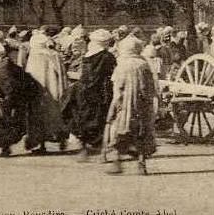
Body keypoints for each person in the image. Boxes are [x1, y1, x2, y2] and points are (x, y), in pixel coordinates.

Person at [62, 29, 116, 162]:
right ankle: (102, 151)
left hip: (83, 90)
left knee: (82, 117)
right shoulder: (107, 56)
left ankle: (84, 148)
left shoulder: (88, 55)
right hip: (101, 91)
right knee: (102, 119)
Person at [106, 36, 157, 175]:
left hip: (125, 105)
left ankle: (117, 162)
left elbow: (118, 87)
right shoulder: (144, 64)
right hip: (142, 104)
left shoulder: (122, 65)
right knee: (142, 132)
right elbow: (150, 87)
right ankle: (141, 164)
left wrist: (115, 104)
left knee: (120, 131)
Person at [24, 30, 70, 154]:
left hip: (39, 93)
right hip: (53, 90)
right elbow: (62, 74)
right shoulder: (54, 55)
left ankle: (42, 144)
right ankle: (60, 138)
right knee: (54, 115)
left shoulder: (34, 56)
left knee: (39, 117)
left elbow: (30, 76)